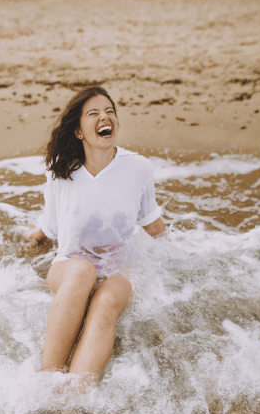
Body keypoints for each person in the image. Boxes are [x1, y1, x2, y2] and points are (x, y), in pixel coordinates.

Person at [20, 86, 166, 382]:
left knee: (105, 302)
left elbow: (153, 225)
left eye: (110, 111)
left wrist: (179, 261)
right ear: (79, 132)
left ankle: (73, 403)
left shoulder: (138, 168)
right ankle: (46, 383)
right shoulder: (61, 171)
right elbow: (51, 225)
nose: (105, 117)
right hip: (69, 268)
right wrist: (34, 236)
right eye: (94, 113)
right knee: (82, 272)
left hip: (121, 268)